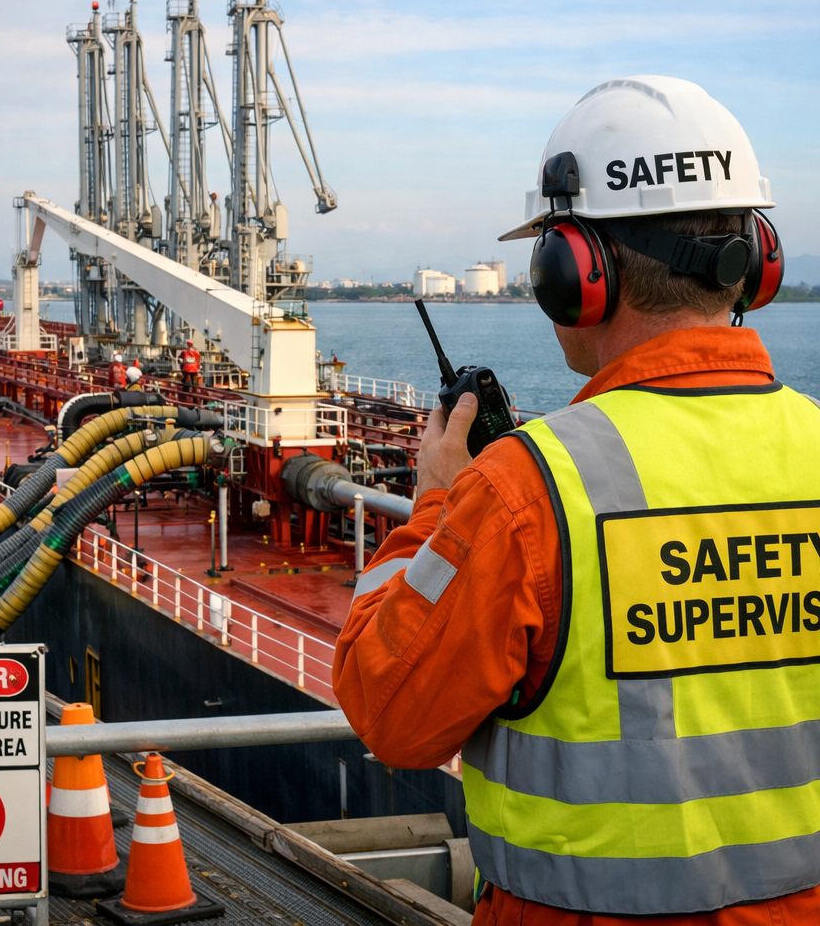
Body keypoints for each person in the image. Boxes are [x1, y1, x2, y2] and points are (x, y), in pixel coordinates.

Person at [333, 76, 816, 925]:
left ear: (576, 275)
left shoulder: (527, 491)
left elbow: (391, 713)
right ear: (758, 261)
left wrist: (437, 507)